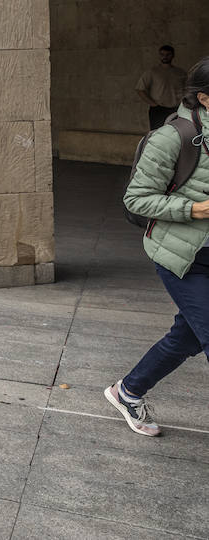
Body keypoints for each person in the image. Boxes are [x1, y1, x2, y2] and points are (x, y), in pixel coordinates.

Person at [107, 56, 209, 437]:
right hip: (183, 257)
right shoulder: (172, 138)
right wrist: (194, 208)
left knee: (189, 335)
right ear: (205, 99)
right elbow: (136, 199)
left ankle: (127, 391)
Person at [136, 44, 189, 130]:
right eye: (162, 54)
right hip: (158, 109)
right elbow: (140, 89)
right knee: (157, 135)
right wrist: (153, 104)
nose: (165, 57)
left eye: (168, 54)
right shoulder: (152, 72)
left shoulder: (181, 73)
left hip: (177, 109)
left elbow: (187, 89)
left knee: (177, 133)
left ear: (173, 55)